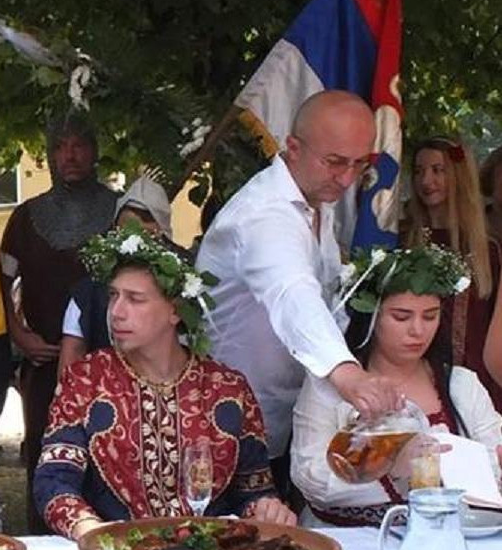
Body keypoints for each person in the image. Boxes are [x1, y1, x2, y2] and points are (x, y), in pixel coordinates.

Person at [197, 90, 403, 500]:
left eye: (359, 164)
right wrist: (345, 372)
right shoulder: (264, 213)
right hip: (224, 432)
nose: (347, 179)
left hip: (285, 425)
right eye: (335, 162)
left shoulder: (318, 200)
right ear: (293, 147)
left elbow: (328, 301)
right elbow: (293, 292)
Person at [35, 226, 295, 539]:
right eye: (113, 296)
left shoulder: (227, 388)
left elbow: (253, 489)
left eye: (135, 299)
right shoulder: (87, 379)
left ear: (175, 311)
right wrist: (88, 529)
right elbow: (55, 479)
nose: (116, 312)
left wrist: (267, 509)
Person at [292, 243, 502, 526]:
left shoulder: (461, 385)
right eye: (401, 317)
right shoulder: (332, 385)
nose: (418, 330)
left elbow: (492, 461)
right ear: (372, 317)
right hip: (347, 539)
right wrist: (391, 468)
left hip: (443, 536)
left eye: (430, 316)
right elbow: (310, 478)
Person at [0, 114, 117, 532]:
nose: (70, 155)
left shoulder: (118, 213)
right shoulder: (27, 219)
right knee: (46, 459)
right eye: (61, 146)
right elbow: (1, 282)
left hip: (110, 366)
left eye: (79, 145)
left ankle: (103, 538)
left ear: (94, 151)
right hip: (46, 363)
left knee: (107, 458)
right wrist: (19, 334)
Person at [401, 137, 502, 407]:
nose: (426, 181)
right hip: (417, 377)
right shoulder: (404, 240)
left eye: (438, 170)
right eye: (419, 171)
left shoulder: (487, 250)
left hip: (476, 380)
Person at [59, 175, 176, 379]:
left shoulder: (183, 287)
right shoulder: (88, 292)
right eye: (127, 233)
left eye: (145, 233)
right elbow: (72, 355)